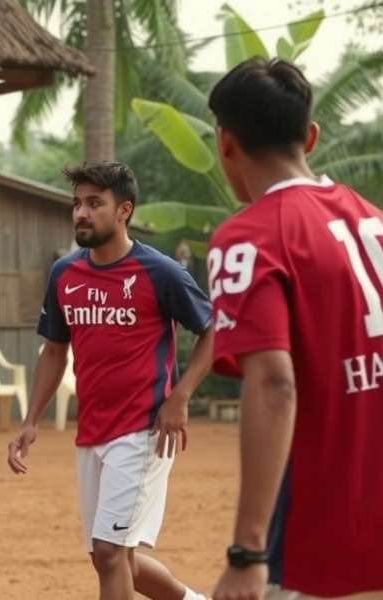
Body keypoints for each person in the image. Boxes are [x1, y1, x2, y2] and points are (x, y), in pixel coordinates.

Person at [208, 58, 383, 600]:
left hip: (320, 546)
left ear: (225, 144)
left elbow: (274, 385)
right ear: (310, 136)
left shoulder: (248, 239)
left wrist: (247, 552)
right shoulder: (373, 218)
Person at [7, 161, 214, 600]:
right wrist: (30, 421)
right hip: (92, 433)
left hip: (143, 432)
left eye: (94, 204)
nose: (81, 212)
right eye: (77, 203)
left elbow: (214, 332)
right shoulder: (64, 274)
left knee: (109, 552)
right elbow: (55, 351)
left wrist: (180, 396)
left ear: (124, 211)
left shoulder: (161, 272)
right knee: (116, 560)